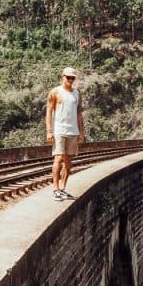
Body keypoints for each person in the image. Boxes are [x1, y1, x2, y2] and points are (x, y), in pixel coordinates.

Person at [46, 67, 85, 201]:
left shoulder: (77, 94)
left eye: (72, 78)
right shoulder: (55, 92)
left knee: (68, 162)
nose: (70, 80)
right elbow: (49, 112)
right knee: (58, 159)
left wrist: (81, 131)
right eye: (68, 77)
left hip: (73, 131)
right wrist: (49, 131)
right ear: (62, 77)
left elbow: (79, 113)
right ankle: (55, 189)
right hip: (59, 131)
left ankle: (62, 188)